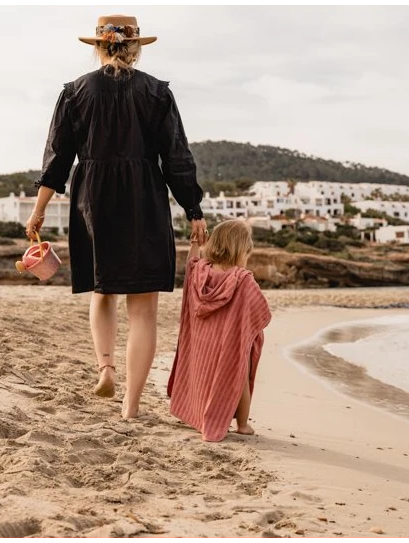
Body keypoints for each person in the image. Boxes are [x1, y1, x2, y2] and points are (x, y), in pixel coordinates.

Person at [26, 15, 208, 419]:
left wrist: (38, 211)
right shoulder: (157, 93)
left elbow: (56, 160)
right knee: (142, 308)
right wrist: (193, 209)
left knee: (102, 290)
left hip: (94, 196)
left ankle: (106, 367)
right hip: (143, 197)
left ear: (99, 46)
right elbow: (176, 157)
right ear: (136, 47)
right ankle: (131, 405)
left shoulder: (75, 92)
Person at [166, 220, 272, 441]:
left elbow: (191, 262)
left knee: (202, 376)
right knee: (240, 373)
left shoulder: (199, 273)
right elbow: (262, 312)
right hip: (226, 344)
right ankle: (243, 425)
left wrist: (195, 241)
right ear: (241, 249)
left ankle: (198, 415)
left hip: (202, 344)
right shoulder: (243, 280)